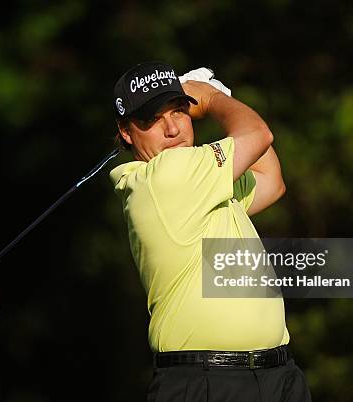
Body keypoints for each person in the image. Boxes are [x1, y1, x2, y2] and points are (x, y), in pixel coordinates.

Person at [109, 61, 311, 402]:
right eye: (151, 120)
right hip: (207, 383)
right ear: (126, 132)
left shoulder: (202, 182)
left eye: (178, 111)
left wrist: (217, 98)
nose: (172, 129)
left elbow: (270, 181)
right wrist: (213, 98)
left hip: (277, 377)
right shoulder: (164, 176)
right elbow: (258, 135)